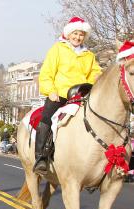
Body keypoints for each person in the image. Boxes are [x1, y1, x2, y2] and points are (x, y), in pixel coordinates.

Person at [34, 17, 101, 175]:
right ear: (69, 33)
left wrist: (99, 78)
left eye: (81, 35)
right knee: (46, 119)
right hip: (60, 94)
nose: (78, 37)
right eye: (76, 33)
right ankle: (41, 157)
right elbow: (47, 72)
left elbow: (95, 73)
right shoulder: (58, 49)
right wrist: (50, 90)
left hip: (82, 94)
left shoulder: (89, 55)